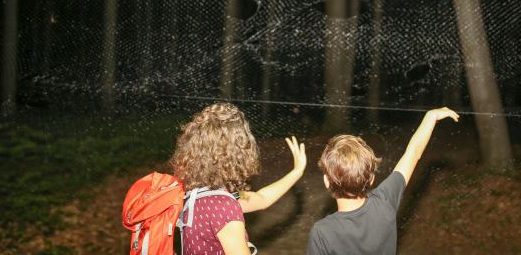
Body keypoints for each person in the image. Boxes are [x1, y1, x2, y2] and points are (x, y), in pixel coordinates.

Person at [306, 107, 459, 255]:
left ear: (327, 181)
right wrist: (430, 117)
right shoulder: (385, 203)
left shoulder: (321, 233)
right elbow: (413, 153)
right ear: (371, 179)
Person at [171, 102, 306, 255]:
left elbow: (261, 198)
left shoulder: (197, 194)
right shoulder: (225, 208)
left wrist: (296, 172)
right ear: (238, 153)